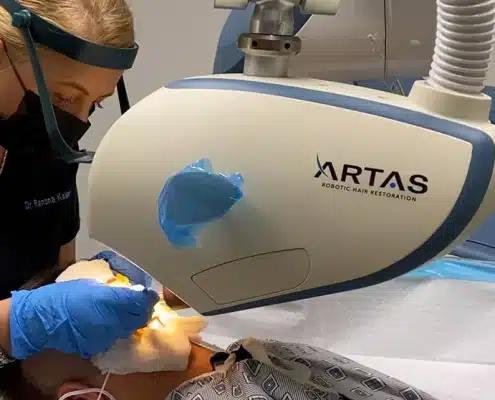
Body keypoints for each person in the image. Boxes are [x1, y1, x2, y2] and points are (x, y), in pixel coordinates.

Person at [0, 0, 158, 363]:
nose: (78, 121)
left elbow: (52, 276)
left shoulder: (44, 159)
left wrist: (93, 283)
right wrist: (17, 325)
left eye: (96, 104)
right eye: (64, 97)